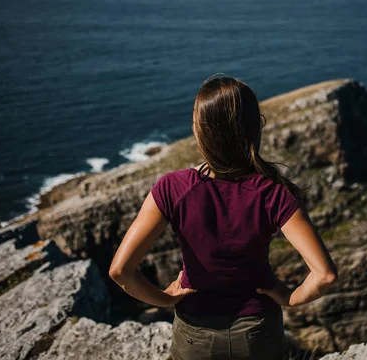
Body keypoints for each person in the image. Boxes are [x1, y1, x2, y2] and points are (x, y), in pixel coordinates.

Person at [109, 75, 338, 360]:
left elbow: (120, 271)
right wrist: (289, 297)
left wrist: (165, 300)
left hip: (196, 335)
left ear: (201, 132)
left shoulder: (173, 188)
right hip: (258, 333)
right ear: (255, 128)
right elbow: (325, 275)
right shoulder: (274, 193)